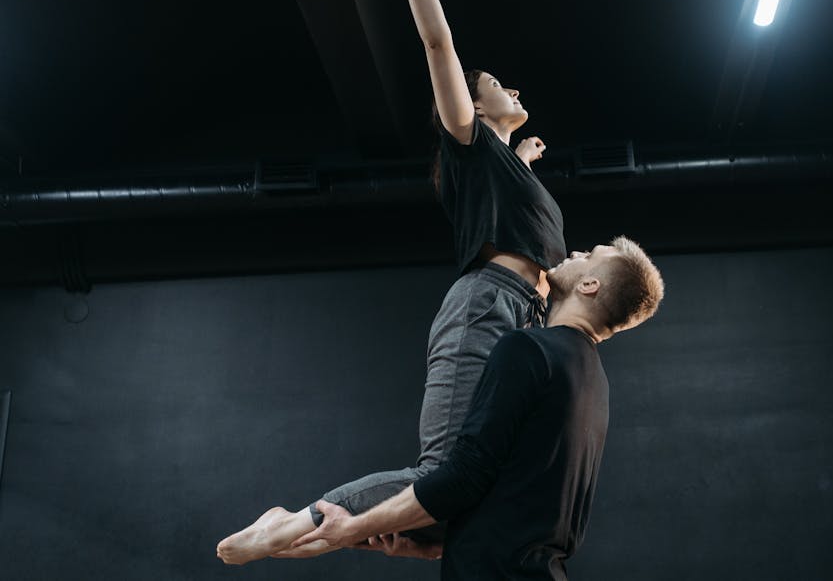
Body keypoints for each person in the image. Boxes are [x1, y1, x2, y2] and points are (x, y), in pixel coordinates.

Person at [217, 0, 563, 564]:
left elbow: (510, 211)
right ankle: (298, 520)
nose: (514, 89)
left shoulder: (504, 166)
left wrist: (524, 161)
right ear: (475, 108)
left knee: (489, 478)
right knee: (448, 469)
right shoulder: (468, 139)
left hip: (529, 323)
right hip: (486, 306)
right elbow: (436, 41)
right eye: (497, 85)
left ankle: (313, 527)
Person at [217, 237, 665, 579]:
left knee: (436, 470)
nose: (577, 252)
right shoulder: (594, 382)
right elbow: (524, 503)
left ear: (590, 285)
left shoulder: (529, 350)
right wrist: (435, 545)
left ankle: (299, 521)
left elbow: (460, 478)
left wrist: (348, 530)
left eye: (591, 255)